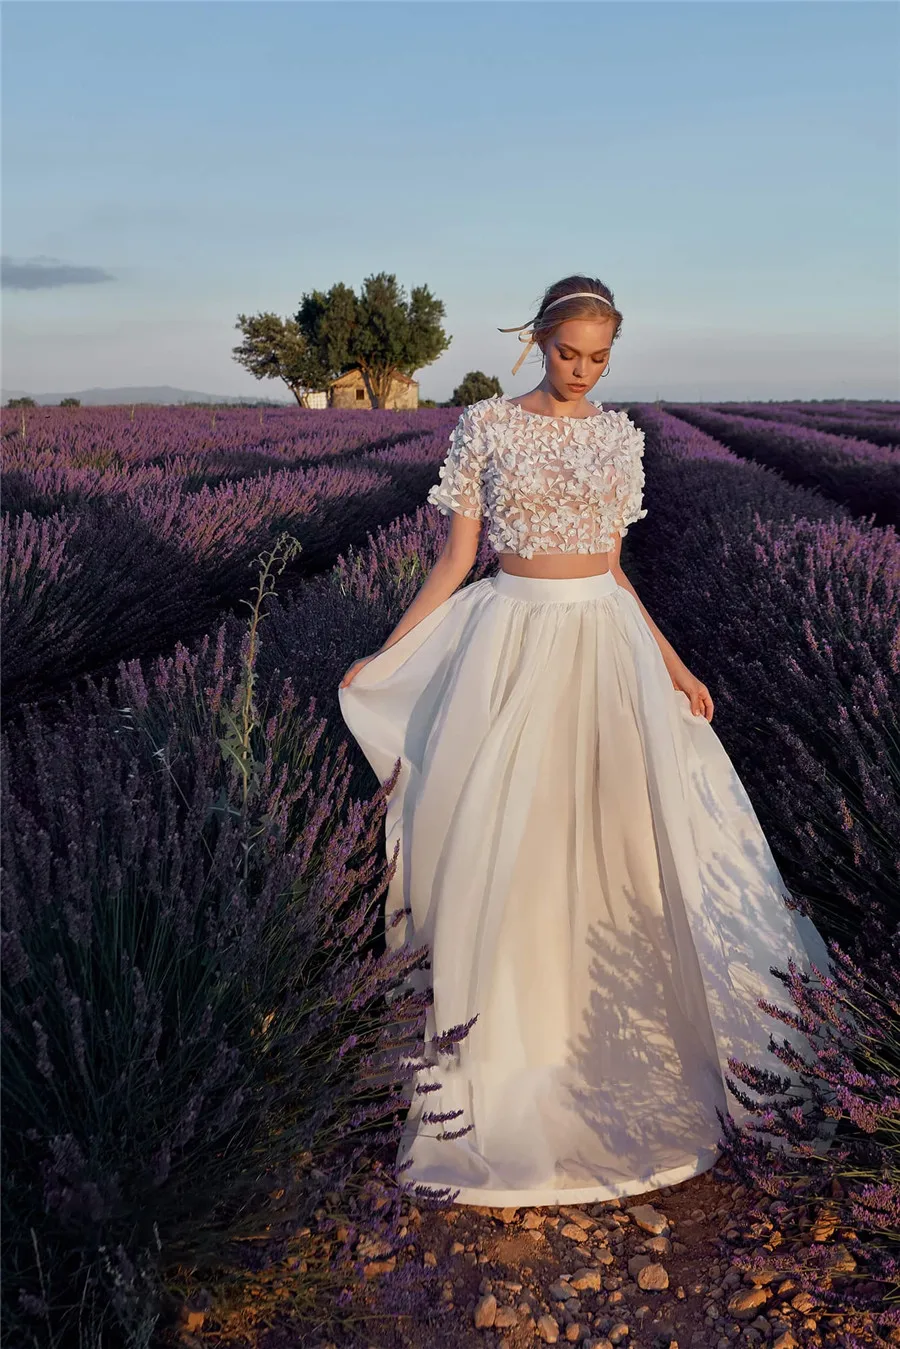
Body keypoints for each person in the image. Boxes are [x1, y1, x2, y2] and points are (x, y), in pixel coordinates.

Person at [337, 275, 830, 1208]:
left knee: (620, 846)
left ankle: (626, 1049)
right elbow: (457, 559)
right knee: (509, 847)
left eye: (600, 357)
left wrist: (676, 664)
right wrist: (388, 649)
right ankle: (512, 1063)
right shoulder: (486, 424)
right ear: (538, 340)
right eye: (570, 353)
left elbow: (615, 571)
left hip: (605, 647)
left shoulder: (618, 435)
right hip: (512, 643)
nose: (583, 370)